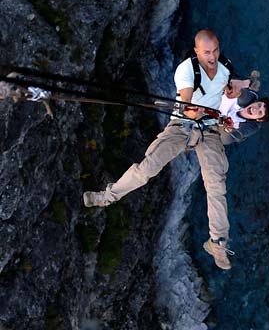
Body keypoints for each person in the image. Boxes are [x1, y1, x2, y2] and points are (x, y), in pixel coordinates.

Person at [83, 29, 248, 270]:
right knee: (146, 168)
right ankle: (106, 197)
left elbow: (230, 84)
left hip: (209, 131)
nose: (212, 56)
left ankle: (218, 242)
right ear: (196, 52)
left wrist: (236, 88)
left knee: (216, 186)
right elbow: (186, 98)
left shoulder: (224, 66)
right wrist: (191, 109)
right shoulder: (186, 70)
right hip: (181, 126)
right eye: (206, 52)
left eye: (215, 50)